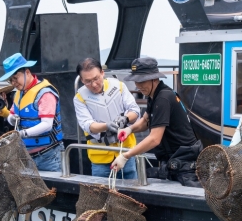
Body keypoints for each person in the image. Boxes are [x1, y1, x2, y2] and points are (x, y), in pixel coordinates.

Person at [110, 58, 201, 187]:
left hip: (184, 164)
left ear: (154, 78)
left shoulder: (163, 98)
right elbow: (145, 121)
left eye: (142, 80)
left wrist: (126, 156)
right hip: (171, 160)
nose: (138, 85)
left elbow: (154, 139)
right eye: (136, 80)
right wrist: (129, 129)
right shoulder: (154, 95)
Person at [74, 58, 140, 178]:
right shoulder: (79, 98)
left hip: (125, 153)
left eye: (96, 78)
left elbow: (134, 110)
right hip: (100, 158)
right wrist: (106, 126)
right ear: (82, 80)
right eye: (88, 81)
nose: (94, 84)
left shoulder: (119, 86)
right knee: (101, 195)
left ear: (102, 73)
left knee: (132, 194)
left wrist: (126, 118)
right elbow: (87, 125)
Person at [0, 53, 64, 172]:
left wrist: (22, 133)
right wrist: (11, 119)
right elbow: (11, 114)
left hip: (48, 156)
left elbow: (47, 124)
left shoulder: (45, 93)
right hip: (27, 156)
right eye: (10, 80)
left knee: (53, 189)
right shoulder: (19, 93)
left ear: (27, 72)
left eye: (15, 78)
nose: (13, 83)